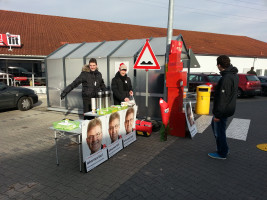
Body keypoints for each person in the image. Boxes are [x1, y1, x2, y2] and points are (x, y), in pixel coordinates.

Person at [208, 55, 239, 160]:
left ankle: (222, 153)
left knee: (219, 131)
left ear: (219, 65)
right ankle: (224, 149)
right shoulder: (234, 75)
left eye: (217, 65)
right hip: (229, 108)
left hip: (223, 111)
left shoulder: (226, 78)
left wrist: (218, 115)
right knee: (219, 129)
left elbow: (222, 98)